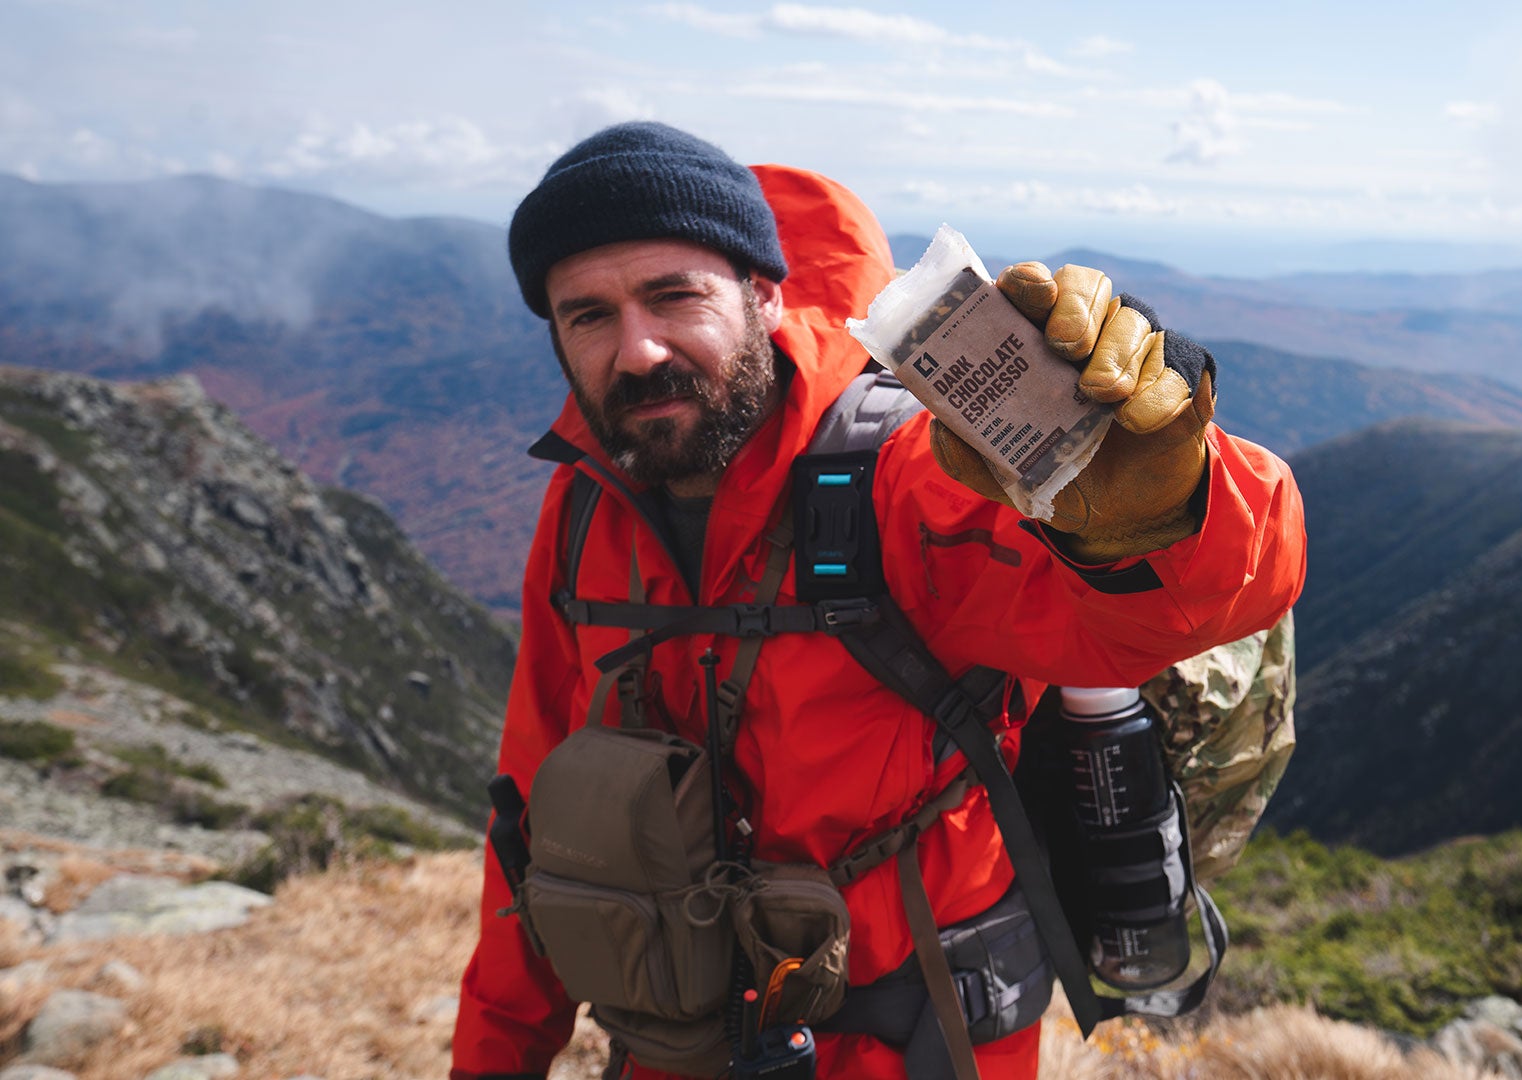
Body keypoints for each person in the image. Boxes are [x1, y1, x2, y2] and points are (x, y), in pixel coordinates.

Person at [451, 121, 1306, 1080]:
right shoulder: (581, 510)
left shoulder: (897, 471)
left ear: (763, 295)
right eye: (588, 316)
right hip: (676, 1044)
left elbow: (1177, 613)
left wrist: (1166, 504)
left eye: (672, 296)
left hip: (917, 1045)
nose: (638, 350)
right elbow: (532, 827)